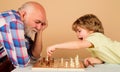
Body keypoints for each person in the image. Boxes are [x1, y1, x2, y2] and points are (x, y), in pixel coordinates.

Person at [47, 14, 120, 67]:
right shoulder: (93, 44)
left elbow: (77, 45)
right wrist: (97, 60)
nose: (77, 34)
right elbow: (106, 57)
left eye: (79, 31)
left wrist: (56, 46)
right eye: (76, 32)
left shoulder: (96, 37)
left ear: (91, 30)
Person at [0, 1, 47, 71]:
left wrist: (39, 32)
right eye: (37, 22)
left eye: (42, 24)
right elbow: (22, 65)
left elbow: (34, 56)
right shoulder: (14, 21)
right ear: (23, 14)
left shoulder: (23, 28)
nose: (39, 27)